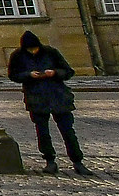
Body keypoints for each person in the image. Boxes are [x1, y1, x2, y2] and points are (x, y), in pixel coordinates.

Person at [8, 32, 89, 175]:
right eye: (30, 50)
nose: (33, 51)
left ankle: (77, 161)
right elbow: (13, 75)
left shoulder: (51, 52)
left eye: (35, 49)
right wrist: (28, 75)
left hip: (58, 96)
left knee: (68, 131)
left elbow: (68, 71)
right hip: (36, 98)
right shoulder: (18, 56)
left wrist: (55, 72)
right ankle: (50, 161)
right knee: (43, 132)